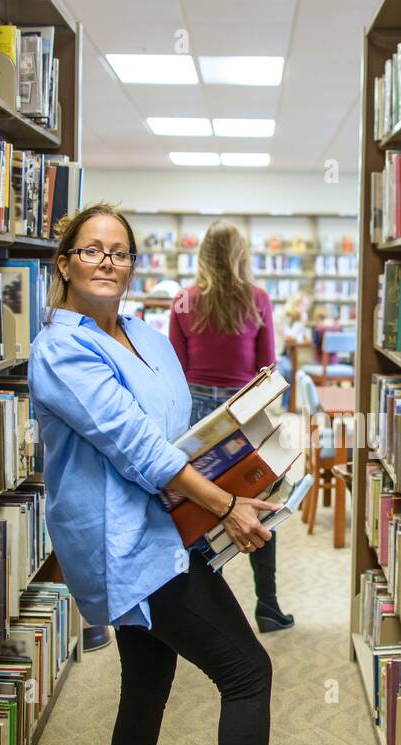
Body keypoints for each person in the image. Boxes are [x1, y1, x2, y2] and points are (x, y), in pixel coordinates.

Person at [28, 202, 277, 745]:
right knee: (248, 671)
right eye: (92, 250)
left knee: (146, 681)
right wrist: (225, 503)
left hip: (170, 529)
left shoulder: (148, 332)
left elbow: (177, 426)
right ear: (64, 263)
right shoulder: (60, 347)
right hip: (130, 547)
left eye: (119, 251)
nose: (107, 261)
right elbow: (137, 445)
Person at [169, 220, 295, 633]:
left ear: (203, 253)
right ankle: (269, 606)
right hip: (244, 410)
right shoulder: (257, 299)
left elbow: (175, 370)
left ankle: (207, 614)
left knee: (202, 507)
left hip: (199, 413)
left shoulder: (184, 301)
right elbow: (267, 365)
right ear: (243, 255)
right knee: (260, 501)